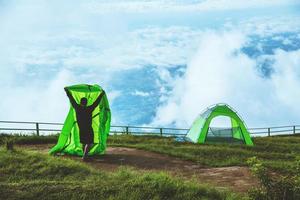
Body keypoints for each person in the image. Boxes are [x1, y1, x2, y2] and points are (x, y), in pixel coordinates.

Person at [64, 87, 105, 160]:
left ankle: (84, 155)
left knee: (83, 142)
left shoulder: (77, 107)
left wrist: (67, 91)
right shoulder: (89, 108)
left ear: (80, 102)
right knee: (89, 143)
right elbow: (96, 103)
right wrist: (101, 94)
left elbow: (71, 99)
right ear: (86, 103)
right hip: (88, 128)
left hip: (81, 128)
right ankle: (84, 157)